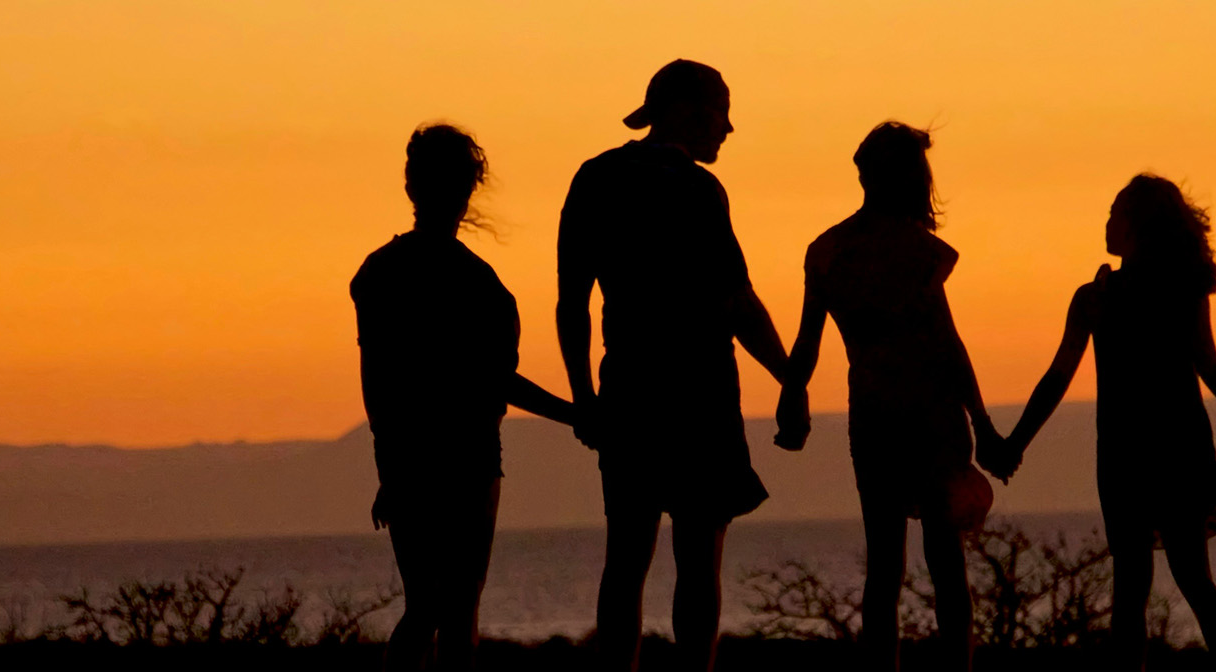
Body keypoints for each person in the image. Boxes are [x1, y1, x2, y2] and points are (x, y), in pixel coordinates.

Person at [984, 173, 1216, 672]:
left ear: (1138, 226)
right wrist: (1016, 442)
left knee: (1152, 587)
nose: (1106, 222)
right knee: (1173, 584)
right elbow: (1060, 378)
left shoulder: (1128, 295)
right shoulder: (1112, 296)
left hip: (1151, 451)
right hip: (1150, 450)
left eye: (1114, 214)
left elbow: (1205, 364)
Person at [556, 59, 789, 672]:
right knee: (698, 559)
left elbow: (571, 302)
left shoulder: (596, 177)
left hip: (628, 392)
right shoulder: (697, 189)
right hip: (701, 396)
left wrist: (584, 397)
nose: (728, 129)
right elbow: (736, 300)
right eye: (721, 114)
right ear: (689, 112)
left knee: (626, 558)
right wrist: (790, 378)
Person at [775, 122, 999, 672]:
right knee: (945, 564)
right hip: (930, 416)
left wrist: (793, 396)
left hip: (875, 416)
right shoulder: (917, 250)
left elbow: (807, 343)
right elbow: (947, 344)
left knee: (885, 566)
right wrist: (983, 422)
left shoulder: (827, 250)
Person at [351, 123, 574, 672]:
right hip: (450, 457)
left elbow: (382, 386)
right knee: (445, 607)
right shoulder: (459, 280)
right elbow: (490, 380)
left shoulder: (394, 272)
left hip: (446, 455)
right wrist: (574, 414)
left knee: (441, 607)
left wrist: (391, 467)